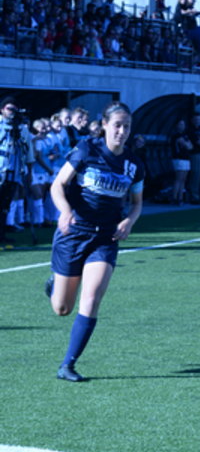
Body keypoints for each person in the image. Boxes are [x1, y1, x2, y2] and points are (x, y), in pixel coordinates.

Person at [46, 101, 145, 382]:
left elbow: (137, 203)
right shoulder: (86, 150)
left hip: (105, 238)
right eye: (117, 125)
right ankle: (54, 285)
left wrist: (129, 221)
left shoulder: (134, 164)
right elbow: (57, 185)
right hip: (74, 232)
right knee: (62, 308)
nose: (122, 132)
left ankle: (68, 365)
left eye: (127, 127)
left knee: (91, 299)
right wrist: (65, 211)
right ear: (104, 125)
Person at [0, 97, 34, 245]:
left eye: (15, 109)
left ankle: (2, 234)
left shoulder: (22, 129)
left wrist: (29, 173)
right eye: (9, 109)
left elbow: (28, 152)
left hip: (13, 171)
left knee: (5, 205)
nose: (12, 112)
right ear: (2, 110)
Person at [170, 119, 192, 205]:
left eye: (183, 124)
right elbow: (186, 145)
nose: (182, 126)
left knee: (183, 179)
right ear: (177, 126)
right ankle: (174, 198)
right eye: (180, 124)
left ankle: (180, 197)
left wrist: (188, 145)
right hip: (179, 159)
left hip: (186, 159)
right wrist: (187, 145)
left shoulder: (185, 135)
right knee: (178, 179)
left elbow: (191, 146)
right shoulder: (176, 136)